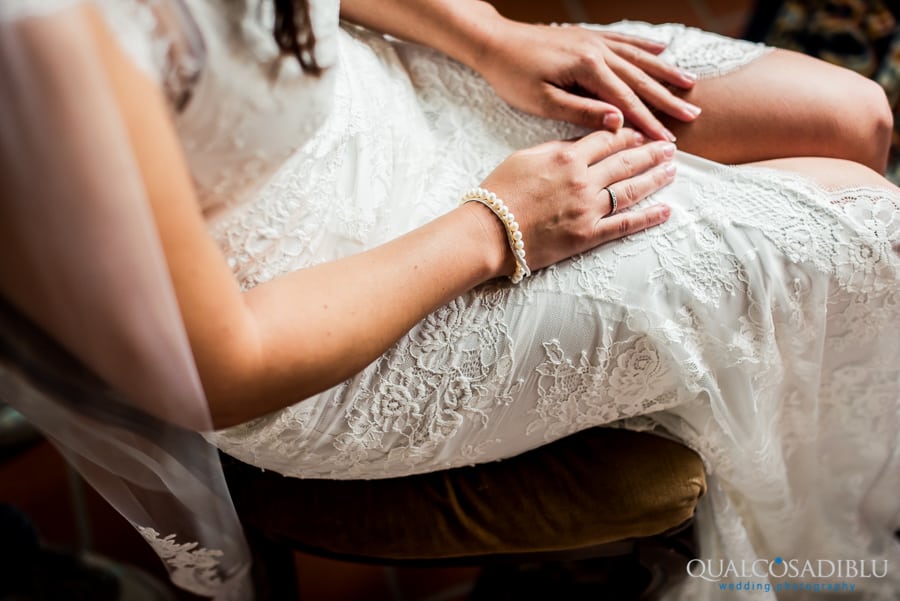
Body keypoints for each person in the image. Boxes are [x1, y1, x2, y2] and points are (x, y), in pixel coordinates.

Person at [1, 0, 898, 599]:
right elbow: (219, 370)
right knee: (865, 218)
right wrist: (496, 225)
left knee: (852, 116)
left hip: (380, 95)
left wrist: (489, 37)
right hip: (316, 310)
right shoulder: (42, 38)